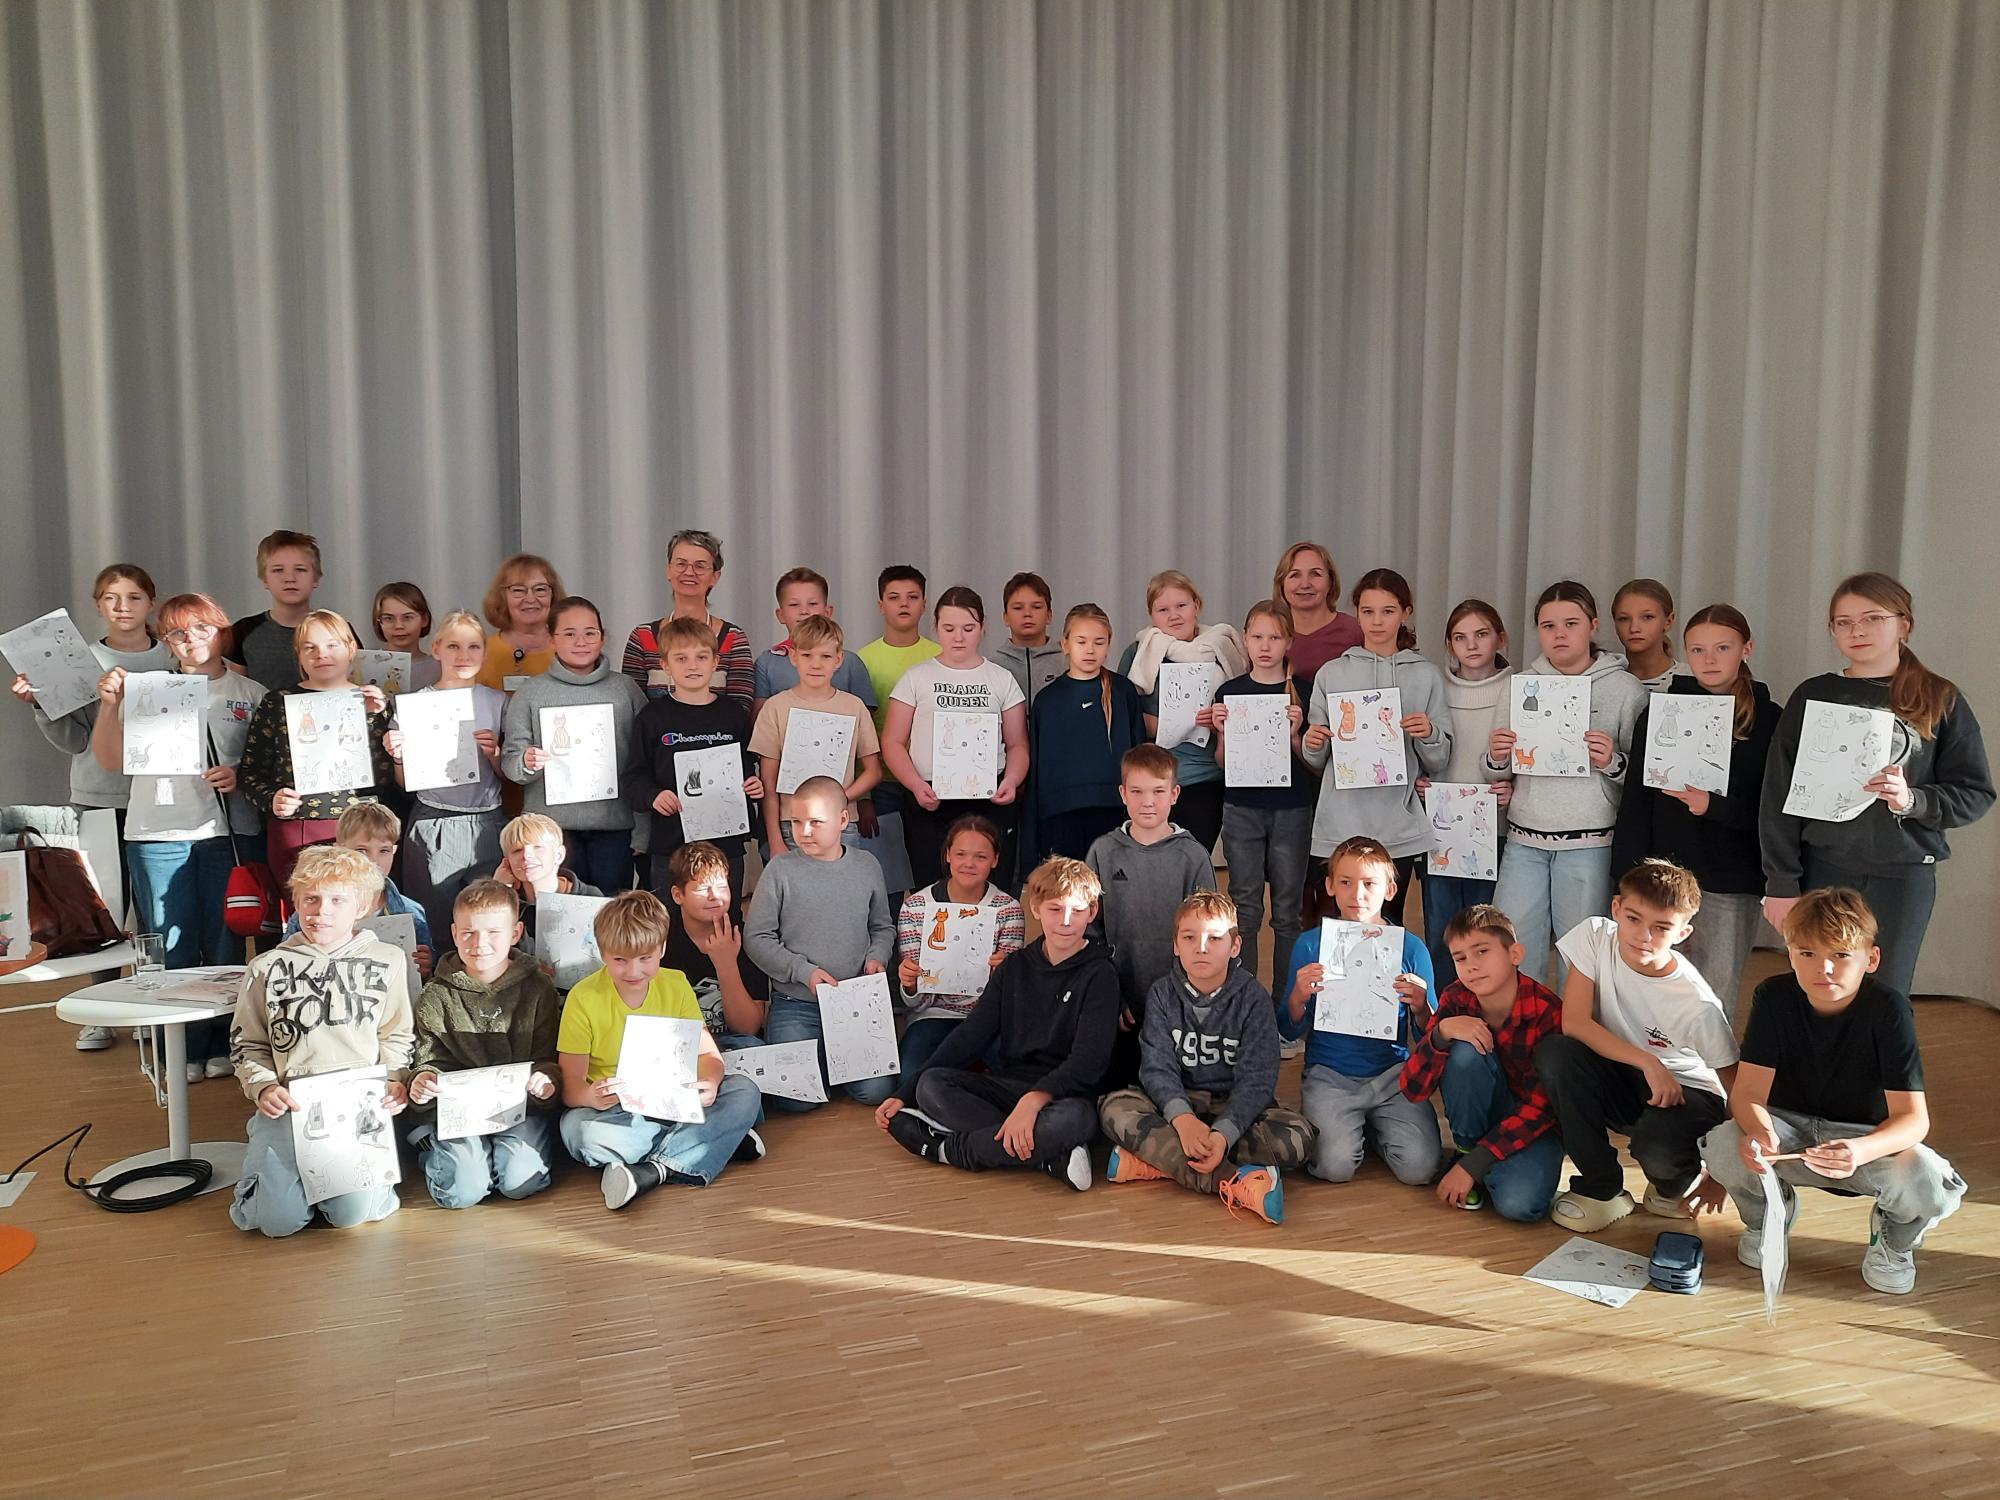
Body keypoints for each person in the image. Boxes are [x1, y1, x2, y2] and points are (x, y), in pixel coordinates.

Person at [1700, 888, 1968, 1296]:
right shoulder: (1773, 996)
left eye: (1841, 955)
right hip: (1788, 1130)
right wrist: (1760, 1131)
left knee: (1928, 1180)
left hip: (1863, 1139)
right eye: (1807, 953)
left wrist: (1860, 1150)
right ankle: (1769, 1214)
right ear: (1790, 955)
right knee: (1724, 1143)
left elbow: (1914, 1120)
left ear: (1870, 959)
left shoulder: (1889, 1009)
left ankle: (1893, 1241)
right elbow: (1746, 1092)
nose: (1823, 968)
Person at [1759, 572, 1992, 998]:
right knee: (1821, 992)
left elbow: (1975, 793)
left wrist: (1913, 800)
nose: (1857, 631)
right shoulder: (1813, 695)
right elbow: (1778, 796)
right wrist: (1781, 883)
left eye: (1872, 618)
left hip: (1902, 877)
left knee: (1886, 999)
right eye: (1844, 622)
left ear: (1904, 624)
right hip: (1822, 871)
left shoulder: (1940, 697)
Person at [87, 591, 264, 1077]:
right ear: (166, 641)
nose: (191, 640)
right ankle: (180, 1049)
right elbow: (109, 760)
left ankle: (223, 1043)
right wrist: (110, 706)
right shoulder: (146, 690)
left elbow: (268, 763)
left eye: (202, 628)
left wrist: (239, 774)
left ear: (221, 630)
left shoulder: (249, 693)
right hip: (156, 832)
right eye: (178, 633)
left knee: (225, 944)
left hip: (225, 833)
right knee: (171, 944)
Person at [876, 856, 1118, 1193]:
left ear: (1092, 912)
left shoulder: (1101, 974)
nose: (1065, 921)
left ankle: (946, 1149)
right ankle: (1048, 1156)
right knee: (931, 1085)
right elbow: (971, 1035)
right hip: (1009, 1086)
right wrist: (905, 1093)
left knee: (1075, 1121)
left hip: (1065, 1097)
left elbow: (1088, 1063)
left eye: (1076, 911)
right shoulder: (1015, 967)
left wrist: (1033, 1102)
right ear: (1035, 908)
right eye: (1055, 909)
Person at [1534, 859, 1737, 1233]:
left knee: (1656, 1147)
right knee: (1557, 1053)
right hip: (1631, 1073)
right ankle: (1601, 1188)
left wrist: (1723, 1174)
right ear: (1616, 909)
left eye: (1661, 928)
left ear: (1683, 933)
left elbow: (1736, 1089)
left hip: (1688, 1093)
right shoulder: (1595, 936)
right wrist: (1648, 1061)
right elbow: (1574, 1022)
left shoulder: (1698, 1005)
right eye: (1633, 919)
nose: (1644, 935)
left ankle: (1675, 1183)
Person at [226, 844, 413, 1237]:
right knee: (276, 1223)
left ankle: (352, 1188)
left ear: (361, 906)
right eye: (310, 899)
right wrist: (263, 1087)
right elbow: (247, 1043)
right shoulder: (265, 967)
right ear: (295, 902)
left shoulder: (389, 959)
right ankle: (271, 1165)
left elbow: (395, 1033)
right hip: (290, 1106)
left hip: (355, 1111)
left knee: (350, 1216)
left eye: (336, 900)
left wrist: (396, 1079)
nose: (320, 911)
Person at [1609, 604, 1781, 1018]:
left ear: (1746, 649)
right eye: (1698, 650)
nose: (1710, 659)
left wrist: (1713, 806)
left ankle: (1706, 1063)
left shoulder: (1770, 719)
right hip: (1662, 877)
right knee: (1651, 990)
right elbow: (1636, 803)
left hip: (1730, 879)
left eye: (1723, 648)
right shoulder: (1661, 711)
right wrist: (1626, 877)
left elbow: (1773, 808)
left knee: (1712, 996)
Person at [1098, 891, 1309, 1224]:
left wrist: (1223, 1134)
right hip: (1177, 1106)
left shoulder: (1254, 999)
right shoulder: (1162, 995)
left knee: (1296, 1139)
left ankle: (1155, 1160)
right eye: (1189, 937)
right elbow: (1157, 1068)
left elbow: (1257, 1080)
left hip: (1233, 1108)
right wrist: (1183, 1120)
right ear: (1175, 945)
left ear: (1235, 946)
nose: (1201, 947)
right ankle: (1234, 1182)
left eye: (1215, 938)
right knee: (1114, 1109)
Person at [557, 890, 765, 1211]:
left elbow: (708, 1056)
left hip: (674, 1099)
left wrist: (710, 1081)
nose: (633, 972)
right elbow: (570, 1086)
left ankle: (653, 1171)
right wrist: (590, 1096)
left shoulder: (676, 983)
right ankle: (714, 1140)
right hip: (618, 1110)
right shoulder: (583, 998)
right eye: (620, 960)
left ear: (662, 949)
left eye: (645, 959)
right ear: (601, 952)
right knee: (577, 1132)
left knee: (745, 1090)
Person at [1483, 580, 1649, 984]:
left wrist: (1612, 761)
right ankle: (1524, 1024)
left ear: (1593, 625)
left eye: (1570, 623)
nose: (1559, 634)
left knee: (1582, 959)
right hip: (1524, 840)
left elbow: (1645, 780)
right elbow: (1496, 773)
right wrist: (1496, 756)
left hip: (1589, 844)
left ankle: (1574, 1027)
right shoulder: (1520, 686)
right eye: (1548, 626)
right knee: (1513, 949)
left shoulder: (1625, 690)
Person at [1277, 836, 1441, 1187]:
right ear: (1330, 886)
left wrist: (1421, 1006)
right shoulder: (1311, 944)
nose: (1358, 894)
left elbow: (1430, 1034)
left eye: (1369, 884)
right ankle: (1348, 1128)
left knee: (1420, 1168)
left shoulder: (1411, 948)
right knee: (1334, 1167)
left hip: (1393, 1075)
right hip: (1330, 1075)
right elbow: (1287, 1029)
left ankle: (1369, 1130)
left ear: (1391, 890)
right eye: (1346, 882)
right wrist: (1298, 997)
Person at [1299, 568, 1452, 928]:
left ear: (1406, 613)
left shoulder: (1426, 675)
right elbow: (1316, 759)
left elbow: (1439, 759)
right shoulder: (1332, 673)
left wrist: (1429, 733)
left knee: (1387, 927)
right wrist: (1312, 741)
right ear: (1356, 613)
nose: (1377, 621)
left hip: (1398, 829)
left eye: (1388, 611)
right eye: (1368, 611)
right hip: (1340, 824)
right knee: (1337, 929)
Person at [13, 566, 171, 904]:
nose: (122, 607)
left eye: (134, 597)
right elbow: (75, 741)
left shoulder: (174, 657)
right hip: (99, 798)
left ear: (151, 603)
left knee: (158, 903)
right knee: (106, 902)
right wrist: (42, 704)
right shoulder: (76, 661)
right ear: (98, 605)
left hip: (164, 800)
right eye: (111, 598)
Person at [403, 880, 563, 1209]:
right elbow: (429, 1060)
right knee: (462, 1192)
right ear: (454, 933)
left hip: (520, 1109)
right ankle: (433, 1147)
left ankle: (496, 1155)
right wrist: (424, 1080)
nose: (480, 944)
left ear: (516, 933)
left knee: (520, 1182)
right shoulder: (435, 995)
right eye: (469, 933)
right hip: (458, 1113)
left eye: (493, 932)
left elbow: (548, 1057)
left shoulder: (539, 989)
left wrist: (547, 1080)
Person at [1398, 904, 1564, 1222]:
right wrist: (1441, 1033)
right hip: (1481, 1114)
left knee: (1520, 1205)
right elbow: (1412, 1088)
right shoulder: (1455, 998)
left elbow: (1543, 1109)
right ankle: (1466, 1150)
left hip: (1534, 1125)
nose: (1471, 966)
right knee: (1464, 1050)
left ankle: (1477, 1164)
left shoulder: (1548, 1011)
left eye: (1482, 951)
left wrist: (1474, 1166)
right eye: (1460, 958)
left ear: (1515, 954)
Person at [743, 776, 897, 1109]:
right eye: (796, 822)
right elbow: (756, 937)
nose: (805, 831)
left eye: (816, 822)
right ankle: (827, 1062)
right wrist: (803, 972)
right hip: (796, 1002)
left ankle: (831, 1062)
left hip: (854, 1001)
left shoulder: (867, 865)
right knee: (795, 1100)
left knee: (877, 1091)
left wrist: (877, 956)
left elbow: (882, 926)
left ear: (843, 819)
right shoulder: (780, 869)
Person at [1085, 744, 1218, 1085]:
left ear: (1174, 794)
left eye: (1158, 791)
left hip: (1179, 1002)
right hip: (1121, 1004)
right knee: (1118, 1086)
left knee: (1177, 1085)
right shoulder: (1103, 851)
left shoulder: (1193, 856)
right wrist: (1110, 994)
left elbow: (1208, 933)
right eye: (1137, 791)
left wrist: (1191, 995)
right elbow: (1090, 932)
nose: (1148, 802)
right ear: (1122, 794)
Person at [881, 586, 1029, 891]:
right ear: (936, 627)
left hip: (989, 797)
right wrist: (915, 785)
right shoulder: (916, 677)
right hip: (929, 798)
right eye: (949, 629)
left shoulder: (1001, 679)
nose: (958, 637)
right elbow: (892, 742)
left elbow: (1017, 744)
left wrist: (1012, 780)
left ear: (983, 628)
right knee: (932, 887)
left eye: (968, 628)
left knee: (989, 888)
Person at [235, 608, 395, 888]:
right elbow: (249, 772)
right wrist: (272, 799)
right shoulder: (277, 703)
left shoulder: (373, 703)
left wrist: (376, 718)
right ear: (298, 654)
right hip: (297, 828)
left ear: (351, 649)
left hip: (363, 829)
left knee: (363, 908)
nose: (321, 654)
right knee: (305, 909)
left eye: (332, 645)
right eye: (310, 647)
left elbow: (391, 779)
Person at [500, 596, 648, 894]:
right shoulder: (530, 693)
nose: (580, 642)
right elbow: (511, 763)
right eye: (569, 633)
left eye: (590, 633)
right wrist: (526, 762)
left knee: (611, 910)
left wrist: (643, 831)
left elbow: (644, 763)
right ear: (551, 638)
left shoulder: (625, 689)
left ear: (602, 638)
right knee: (557, 912)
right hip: (551, 833)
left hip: (614, 829)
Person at [382, 608, 509, 940]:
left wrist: (494, 754)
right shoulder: (413, 706)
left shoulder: (497, 702)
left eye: (473, 646)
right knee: (434, 924)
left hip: (488, 820)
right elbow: (404, 782)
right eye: (453, 646)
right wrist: (398, 757)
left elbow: (508, 775)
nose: (463, 655)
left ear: (484, 651)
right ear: (436, 649)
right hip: (433, 820)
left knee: (487, 920)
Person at [1210, 600, 1313, 983]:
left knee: (1287, 912)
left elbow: (1317, 765)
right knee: (1245, 909)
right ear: (1245, 639)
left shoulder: (1303, 692)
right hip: (1242, 808)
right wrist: (1223, 734)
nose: (1265, 646)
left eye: (1274, 637)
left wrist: (1296, 737)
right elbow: (1223, 763)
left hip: (1292, 809)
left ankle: (1286, 1006)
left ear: (1289, 641)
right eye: (1257, 637)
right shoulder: (1229, 692)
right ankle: (1247, 999)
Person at [626, 616, 764, 901]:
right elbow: (633, 778)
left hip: (726, 844)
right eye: (681, 658)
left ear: (715, 662)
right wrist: (653, 795)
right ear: (665, 665)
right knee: (670, 921)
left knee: (725, 916)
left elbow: (747, 767)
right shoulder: (652, 718)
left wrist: (753, 784)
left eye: (701, 657)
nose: (692, 666)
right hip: (671, 845)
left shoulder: (733, 715)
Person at [1116, 569, 1247, 857]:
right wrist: (1157, 724)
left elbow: (1246, 705)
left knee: (1192, 862)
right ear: (1151, 615)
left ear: (1197, 606)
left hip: (1205, 778)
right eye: (1163, 609)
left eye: (1181, 606)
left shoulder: (1222, 649)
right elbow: (1120, 713)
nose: (1173, 615)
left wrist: (1221, 723)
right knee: (1150, 863)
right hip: (1151, 780)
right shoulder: (1138, 653)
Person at [893, 815, 1025, 1094]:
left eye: (981, 856)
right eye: (961, 854)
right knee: (910, 1080)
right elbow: (916, 1001)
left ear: (995, 860)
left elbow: (1010, 996)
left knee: (1018, 1076)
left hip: (990, 1017)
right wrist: (910, 982)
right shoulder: (916, 907)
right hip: (933, 1014)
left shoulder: (1008, 909)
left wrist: (1005, 974)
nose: (969, 863)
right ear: (947, 855)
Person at [1421, 598, 1515, 981]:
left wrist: (1514, 790)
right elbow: (1423, 746)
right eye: (1460, 637)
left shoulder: (1519, 688)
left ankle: (1486, 1007)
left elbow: (1531, 756)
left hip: (1496, 830)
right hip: (1440, 831)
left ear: (1500, 638)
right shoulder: (1434, 687)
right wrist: (1419, 780)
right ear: (1449, 645)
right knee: (1442, 930)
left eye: (1481, 634)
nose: (1471, 645)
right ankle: (1445, 1007)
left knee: (1486, 930)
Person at [748, 614, 880, 855]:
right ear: (793, 657)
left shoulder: (854, 706)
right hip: (791, 824)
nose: (816, 664)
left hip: (842, 823)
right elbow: (769, 783)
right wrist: (775, 840)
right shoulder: (776, 707)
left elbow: (873, 771)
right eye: (807, 655)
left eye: (825, 656)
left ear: (839, 659)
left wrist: (838, 798)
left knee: (841, 880)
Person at [1029, 602, 1144, 861]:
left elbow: (1139, 758)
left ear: (1108, 644)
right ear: (1065, 644)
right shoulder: (1047, 700)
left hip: (1113, 810)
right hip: (1060, 816)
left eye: (1098, 642)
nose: (1090, 650)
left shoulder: (1123, 692)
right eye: (1081, 642)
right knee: (1067, 886)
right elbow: (1037, 771)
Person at [281, 802, 435, 983]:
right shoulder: (313, 912)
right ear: (339, 850)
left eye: (384, 850)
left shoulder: (411, 912)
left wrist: (425, 969)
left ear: (394, 851)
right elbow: (283, 965)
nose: (373, 860)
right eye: (362, 850)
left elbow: (424, 978)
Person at [620, 529, 754, 710]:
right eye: (681, 564)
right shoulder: (641, 637)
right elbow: (634, 706)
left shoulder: (734, 637)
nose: (689, 572)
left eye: (700, 566)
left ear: (715, 577)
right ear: (668, 571)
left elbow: (741, 708)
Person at [662, 842, 769, 1050]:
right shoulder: (661, 940)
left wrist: (726, 965)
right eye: (703, 888)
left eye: (722, 887)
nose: (714, 896)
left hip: (735, 1040)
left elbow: (748, 1028)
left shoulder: (747, 937)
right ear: (678, 895)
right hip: (680, 1040)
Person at [751, 566, 878, 715]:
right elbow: (761, 718)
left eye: (812, 604)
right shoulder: (766, 663)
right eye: (794, 605)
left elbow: (864, 718)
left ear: (827, 612)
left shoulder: (850, 662)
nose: (804, 611)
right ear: (781, 615)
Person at [492, 812, 605, 945]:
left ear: (559, 855)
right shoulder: (507, 903)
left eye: (537, 847)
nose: (526, 855)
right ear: (507, 862)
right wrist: (497, 892)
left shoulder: (590, 897)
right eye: (517, 850)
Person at [230, 531, 321, 692]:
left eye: (300, 569)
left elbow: (354, 683)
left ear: (315, 579)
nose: (289, 578)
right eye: (278, 570)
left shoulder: (337, 630)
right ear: (265, 580)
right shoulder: (244, 631)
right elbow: (236, 693)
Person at [1272, 541, 1362, 684]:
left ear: (1331, 582)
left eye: (1315, 574)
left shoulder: (1356, 631)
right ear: (1281, 583)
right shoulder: (1267, 632)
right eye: (1295, 575)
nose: (1305, 584)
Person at [474, 553, 565, 693]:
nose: (530, 599)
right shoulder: (480, 654)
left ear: (553, 595)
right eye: (518, 590)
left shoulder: (570, 649)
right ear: (502, 597)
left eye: (540, 589)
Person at [992, 571, 1066, 703]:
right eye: (1018, 608)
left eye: (1036, 607)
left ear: (1049, 615)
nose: (1027, 613)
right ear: (1006, 617)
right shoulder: (993, 666)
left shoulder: (1067, 663)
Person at [370, 582, 441, 692]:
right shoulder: (365, 667)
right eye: (388, 618)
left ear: (424, 619)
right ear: (379, 622)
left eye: (407, 617)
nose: (398, 626)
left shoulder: (440, 668)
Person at [1612, 578, 1681, 691]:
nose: (1634, 628)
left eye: (1648, 617)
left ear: (1668, 621)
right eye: (1624, 619)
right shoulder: (1604, 680)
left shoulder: (1695, 681)